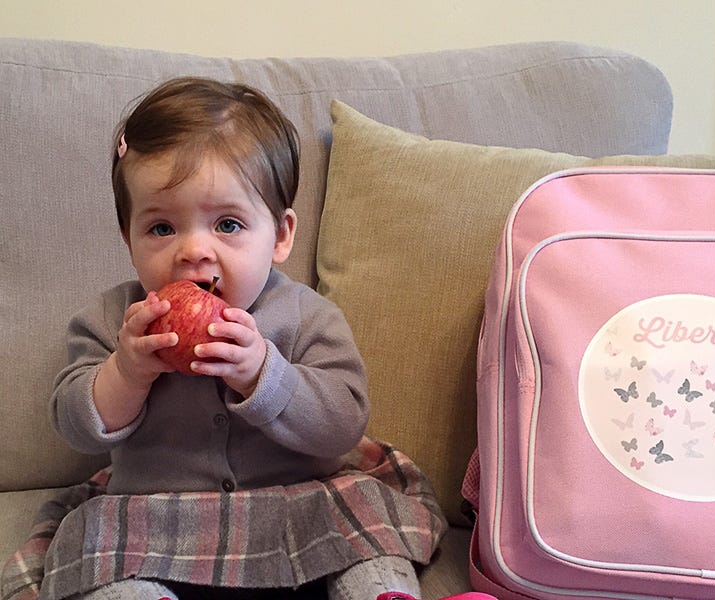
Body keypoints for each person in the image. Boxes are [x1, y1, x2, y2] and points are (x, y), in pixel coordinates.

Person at [48, 77, 445, 600]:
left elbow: (343, 425)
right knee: (96, 547)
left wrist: (264, 375)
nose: (194, 250)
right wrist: (125, 373)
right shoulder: (112, 320)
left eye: (228, 224)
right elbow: (75, 426)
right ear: (129, 238)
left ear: (280, 235)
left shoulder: (307, 316)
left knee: (367, 519)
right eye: (162, 228)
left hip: (296, 519)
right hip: (161, 530)